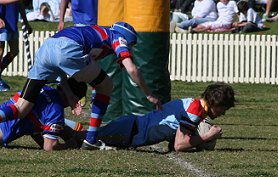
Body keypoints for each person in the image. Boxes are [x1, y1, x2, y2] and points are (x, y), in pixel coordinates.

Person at [0, 21, 162, 151]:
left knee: (22, 108)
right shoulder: (117, 37)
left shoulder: (95, 30)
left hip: (47, 47)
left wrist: (69, 94)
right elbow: (132, 69)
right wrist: (149, 94)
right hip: (68, 49)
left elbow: (59, 64)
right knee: (106, 85)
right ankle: (91, 140)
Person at [92, 83, 236, 152]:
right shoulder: (194, 111)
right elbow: (179, 145)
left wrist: (199, 144)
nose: (223, 113)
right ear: (215, 103)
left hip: (129, 129)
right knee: (82, 140)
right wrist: (208, 136)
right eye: (224, 109)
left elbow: (173, 143)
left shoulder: (195, 106)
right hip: (128, 131)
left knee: (83, 138)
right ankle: (68, 127)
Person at [0, 78, 87, 151]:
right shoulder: (56, 110)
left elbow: (35, 128)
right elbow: (49, 146)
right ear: (73, 96)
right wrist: (69, 145)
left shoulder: (42, 88)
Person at [0, 0, 32, 91]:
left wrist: (26, 23)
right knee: (0, 50)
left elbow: (20, 5)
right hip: (2, 20)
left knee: (14, 51)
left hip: (11, 21)